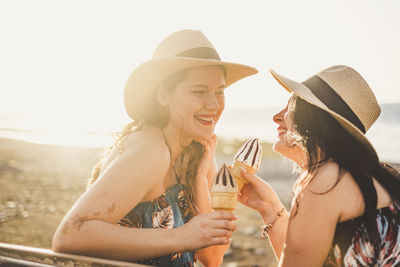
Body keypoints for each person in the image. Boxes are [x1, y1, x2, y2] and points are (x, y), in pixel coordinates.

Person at [52, 29, 257, 266]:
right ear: (163, 96)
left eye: (220, 92)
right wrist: (181, 236)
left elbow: (211, 257)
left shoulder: (197, 152)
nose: (213, 104)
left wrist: (201, 180)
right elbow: (69, 236)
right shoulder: (151, 149)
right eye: (198, 91)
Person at [238, 65, 400, 266]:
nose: (277, 116)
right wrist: (269, 207)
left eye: (290, 107)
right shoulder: (381, 177)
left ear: (312, 119)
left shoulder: (327, 182)